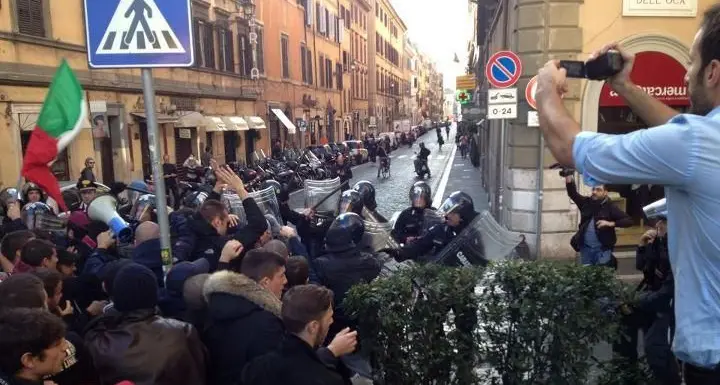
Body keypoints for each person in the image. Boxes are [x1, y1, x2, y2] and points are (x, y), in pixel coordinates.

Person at [535, 5, 720, 380]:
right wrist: (624, 87)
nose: (686, 74)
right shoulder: (703, 140)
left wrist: (545, 93)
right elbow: (685, 132)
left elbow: (568, 147)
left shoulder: (696, 144)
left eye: (692, 62)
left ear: (713, 72)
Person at [242, 285, 350, 385]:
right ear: (313, 327)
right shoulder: (326, 379)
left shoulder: (256, 368)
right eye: (329, 317)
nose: (332, 321)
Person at [564, 174, 632, 267]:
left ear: (605, 192)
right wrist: (568, 175)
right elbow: (572, 193)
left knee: (602, 274)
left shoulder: (610, 207)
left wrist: (611, 223)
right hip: (586, 248)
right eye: (593, 189)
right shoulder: (586, 203)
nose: (594, 192)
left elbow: (628, 221)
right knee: (587, 276)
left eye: (598, 190)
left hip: (603, 249)